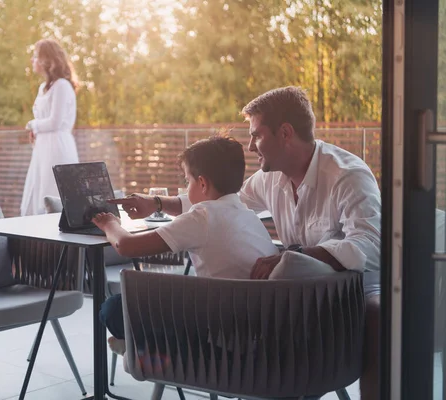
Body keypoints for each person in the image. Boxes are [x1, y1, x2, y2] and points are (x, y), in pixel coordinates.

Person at [113, 86, 381, 399]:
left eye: (256, 135)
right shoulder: (270, 178)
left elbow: (370, 246)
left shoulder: (347, 175)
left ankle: (144, 353)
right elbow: (223, 200)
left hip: (351, 291)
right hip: (293, 295)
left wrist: (293, 256)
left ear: (284, 133)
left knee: (376, 313)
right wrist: (158, 203)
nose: (251, 146)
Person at [92, 135, 279, 355]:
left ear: (202, 183)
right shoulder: (246, 214)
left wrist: (109, 223)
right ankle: (141, 346)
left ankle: (144, 348)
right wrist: (155, 204)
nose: (185, 187)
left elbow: (126, 246)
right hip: (256, 332)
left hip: (223, 343)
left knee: (113, 308)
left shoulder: (203, 217)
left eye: (187, 181)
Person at [20, 38, 79, 216]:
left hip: (57, 147)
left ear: (48, 61)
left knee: (52, 189)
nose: (32, 60)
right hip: (43, 148)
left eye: (36, 56)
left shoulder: (62, 86)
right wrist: (36, 129)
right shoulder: (43, 88)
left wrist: (33, 125)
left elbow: (55, 121)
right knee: (38, 188)